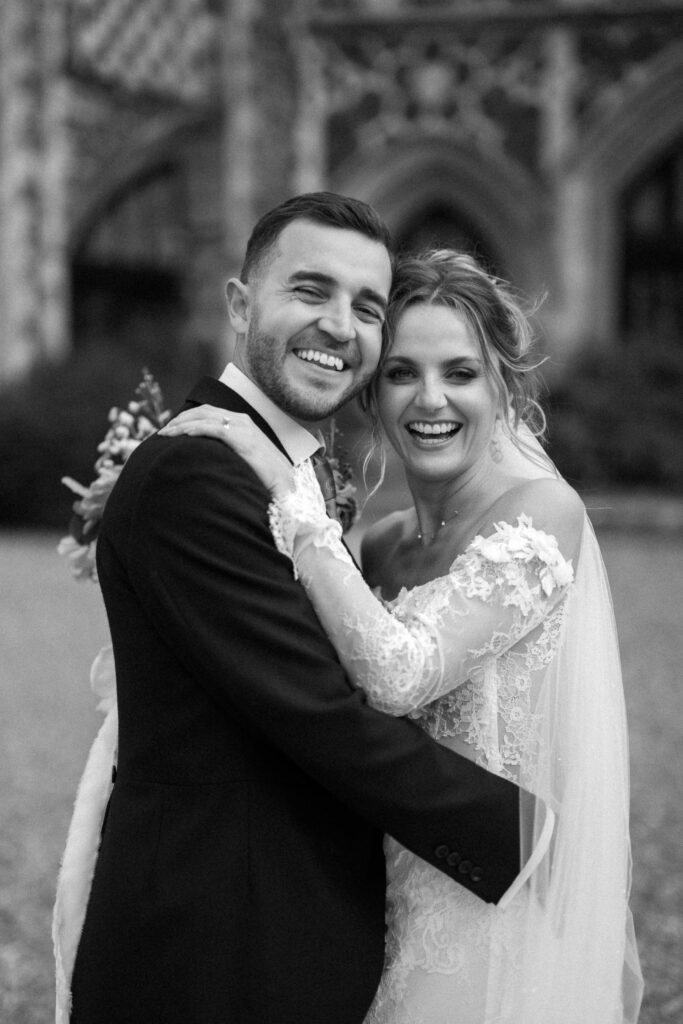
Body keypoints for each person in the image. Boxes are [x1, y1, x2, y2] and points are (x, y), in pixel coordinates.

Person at [56, 195, 528, 1024]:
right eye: (311, 291)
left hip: (277, 931)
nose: (340, 326)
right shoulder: (195, 475)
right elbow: (319, 713)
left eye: (366, 308)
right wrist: (526, 834)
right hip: (214, 954)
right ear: (241, 304)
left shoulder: (286, 469)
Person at [162, 249, 644, 1023]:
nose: (430, 400)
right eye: (400, 374)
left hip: (490, 920)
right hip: (377, 905)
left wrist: (284, 487)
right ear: (370, 393)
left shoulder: (543, 516)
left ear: (502, 386)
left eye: (459, 373)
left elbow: (397, 674)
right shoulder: (378, 544)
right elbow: (289, 650)